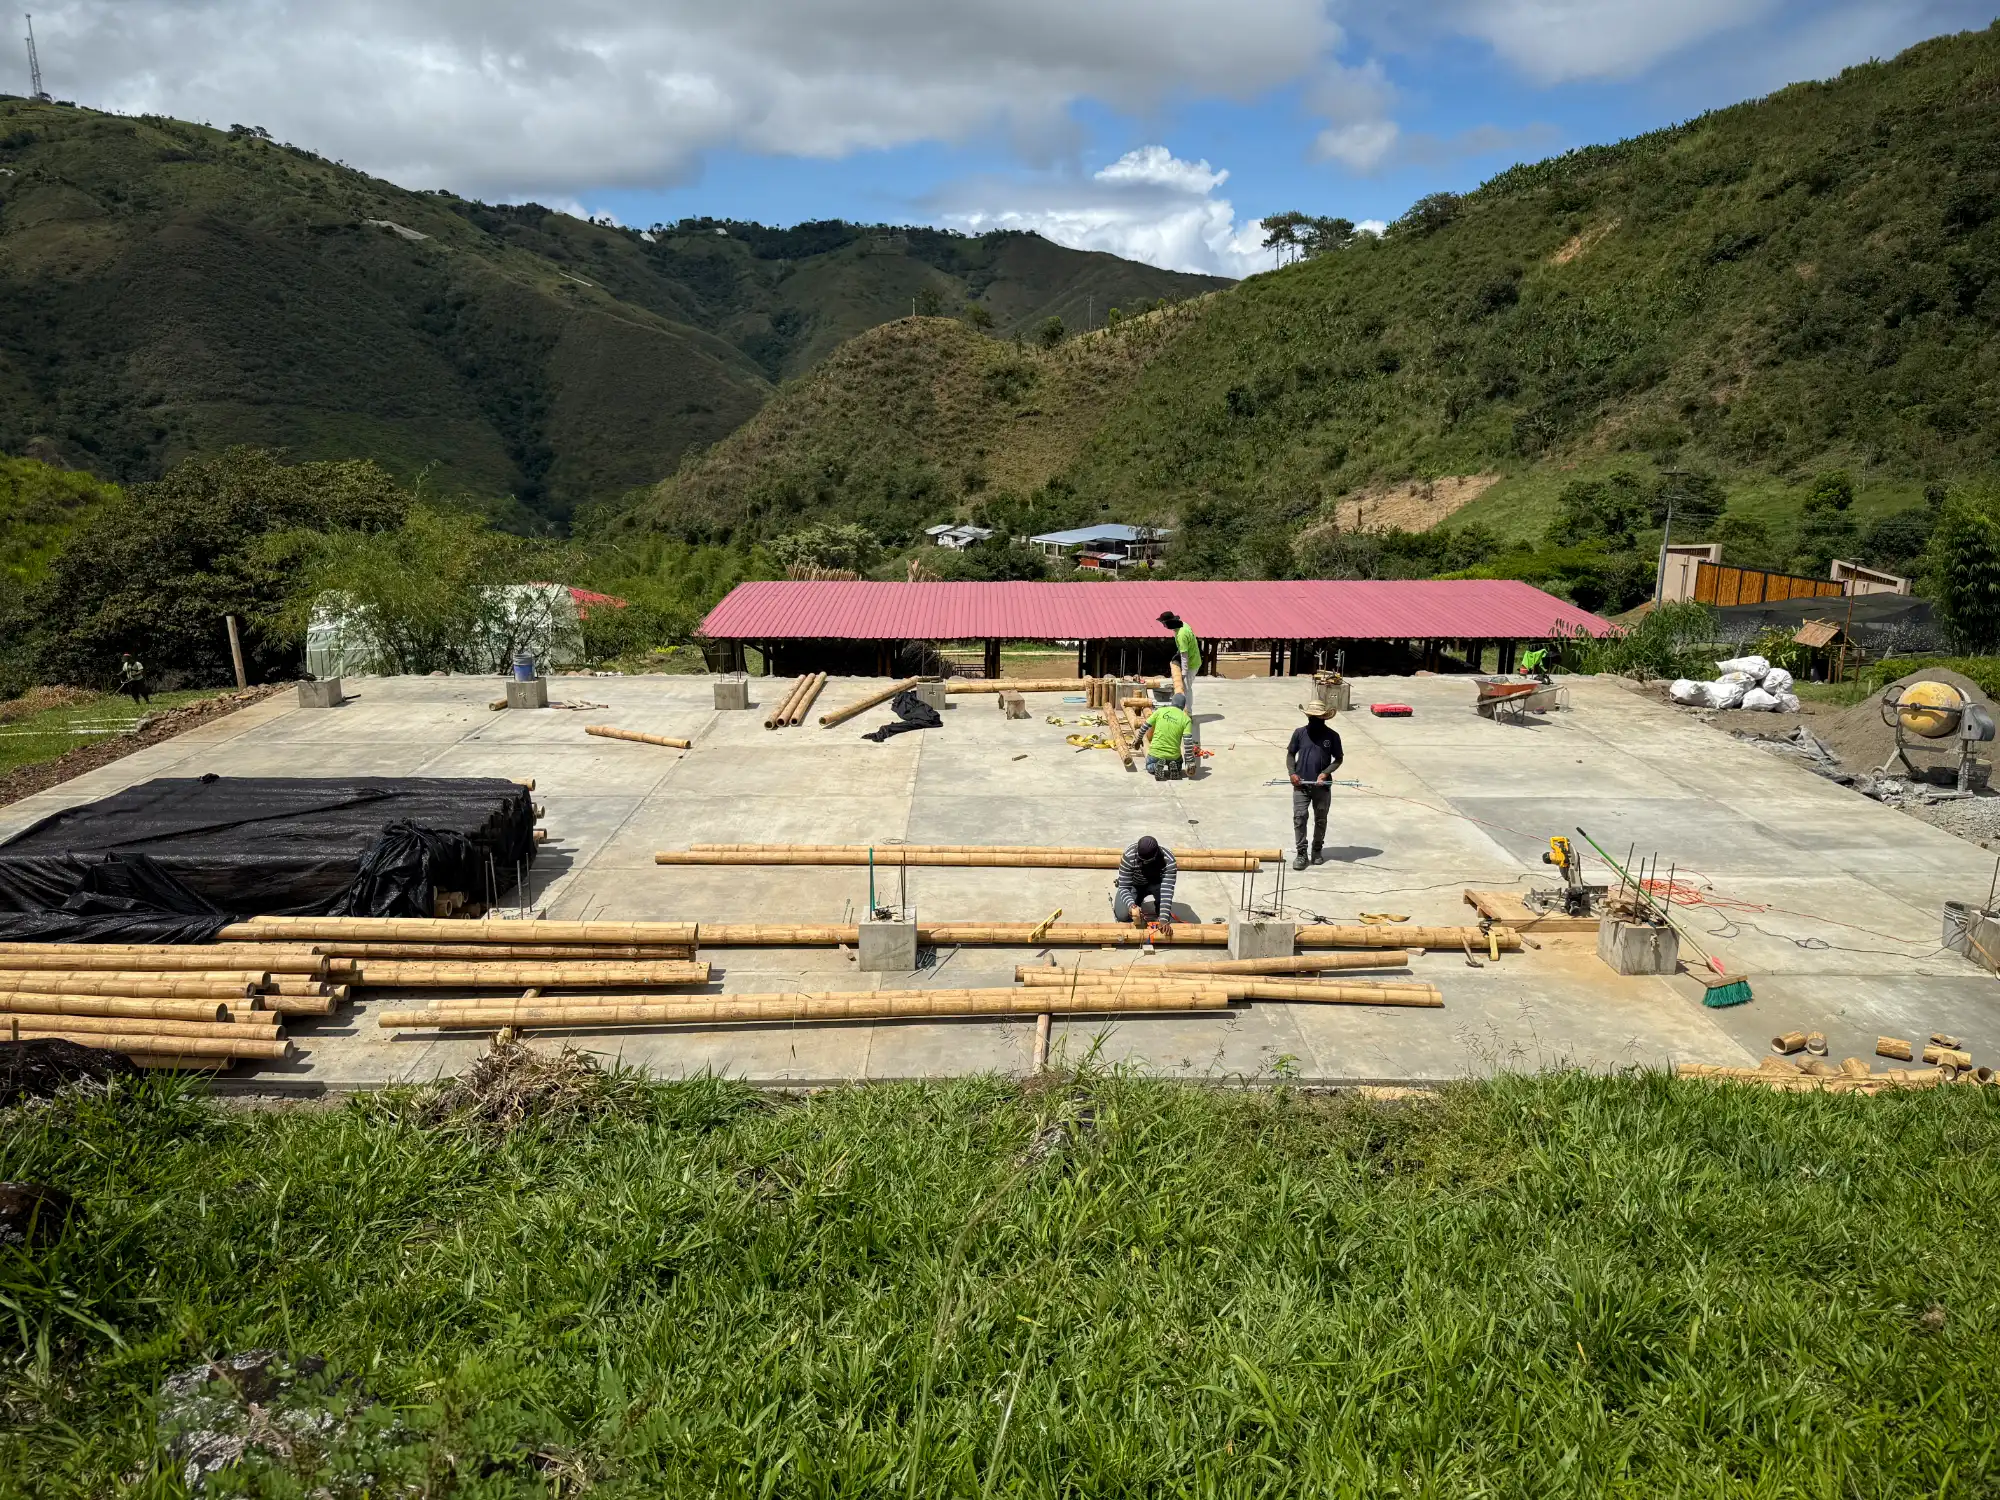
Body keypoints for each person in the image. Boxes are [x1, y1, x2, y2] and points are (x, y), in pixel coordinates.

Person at [1286, 697, 1344, 870]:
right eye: (1311, 717)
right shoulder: (1299, 733)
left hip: (1322, 788)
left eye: (1316, 717)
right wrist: (1292, 773)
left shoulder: (1332, 736)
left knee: (1320, 819)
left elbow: (1338, 758)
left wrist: (1326, 773)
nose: (1313, 720)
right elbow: (1290, 755)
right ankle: (1301, 853)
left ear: (1323, 718)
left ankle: (1317, 850)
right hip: (1301, 786)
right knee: (1300, 817)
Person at [1112, 835, 1177, 928]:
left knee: (1162, 911)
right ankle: (1137, 900)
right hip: (1135, 885)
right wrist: (1131, 905)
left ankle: (1159, 907)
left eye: (1146, 861)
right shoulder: (1129, 855)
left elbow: (1167, 890)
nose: (1143, 863)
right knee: (1122, 915)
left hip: (1157, 885)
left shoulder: (1169, 860)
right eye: (1141, 860)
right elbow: (1124, 888)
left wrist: (1164, 918)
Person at [1139, 692, 1194, 779]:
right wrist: (1190, 761)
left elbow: (1145, 726)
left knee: (1149, 765)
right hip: (1173, 755)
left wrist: (1139, 739)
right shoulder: (1186, 719)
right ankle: (1174, 766)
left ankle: (1155, 766)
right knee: (1178, 764)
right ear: (1183, 706)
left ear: (1172, 702)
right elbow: (1188, 743)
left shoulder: (1160, 711)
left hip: (1155, 754)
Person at [1157, 610, 1200, 714]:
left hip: (1192, 663)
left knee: (1186, 688)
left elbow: (1184, 656)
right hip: (1192, 658)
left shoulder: (1181, 634)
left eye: (1164, 623)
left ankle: (1188, 713)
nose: (1164, 626)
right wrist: (1178, 654)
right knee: (1185, 687)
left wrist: (1184, 673)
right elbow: (1184, 649)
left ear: (1170, 622)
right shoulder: (1183, 625)